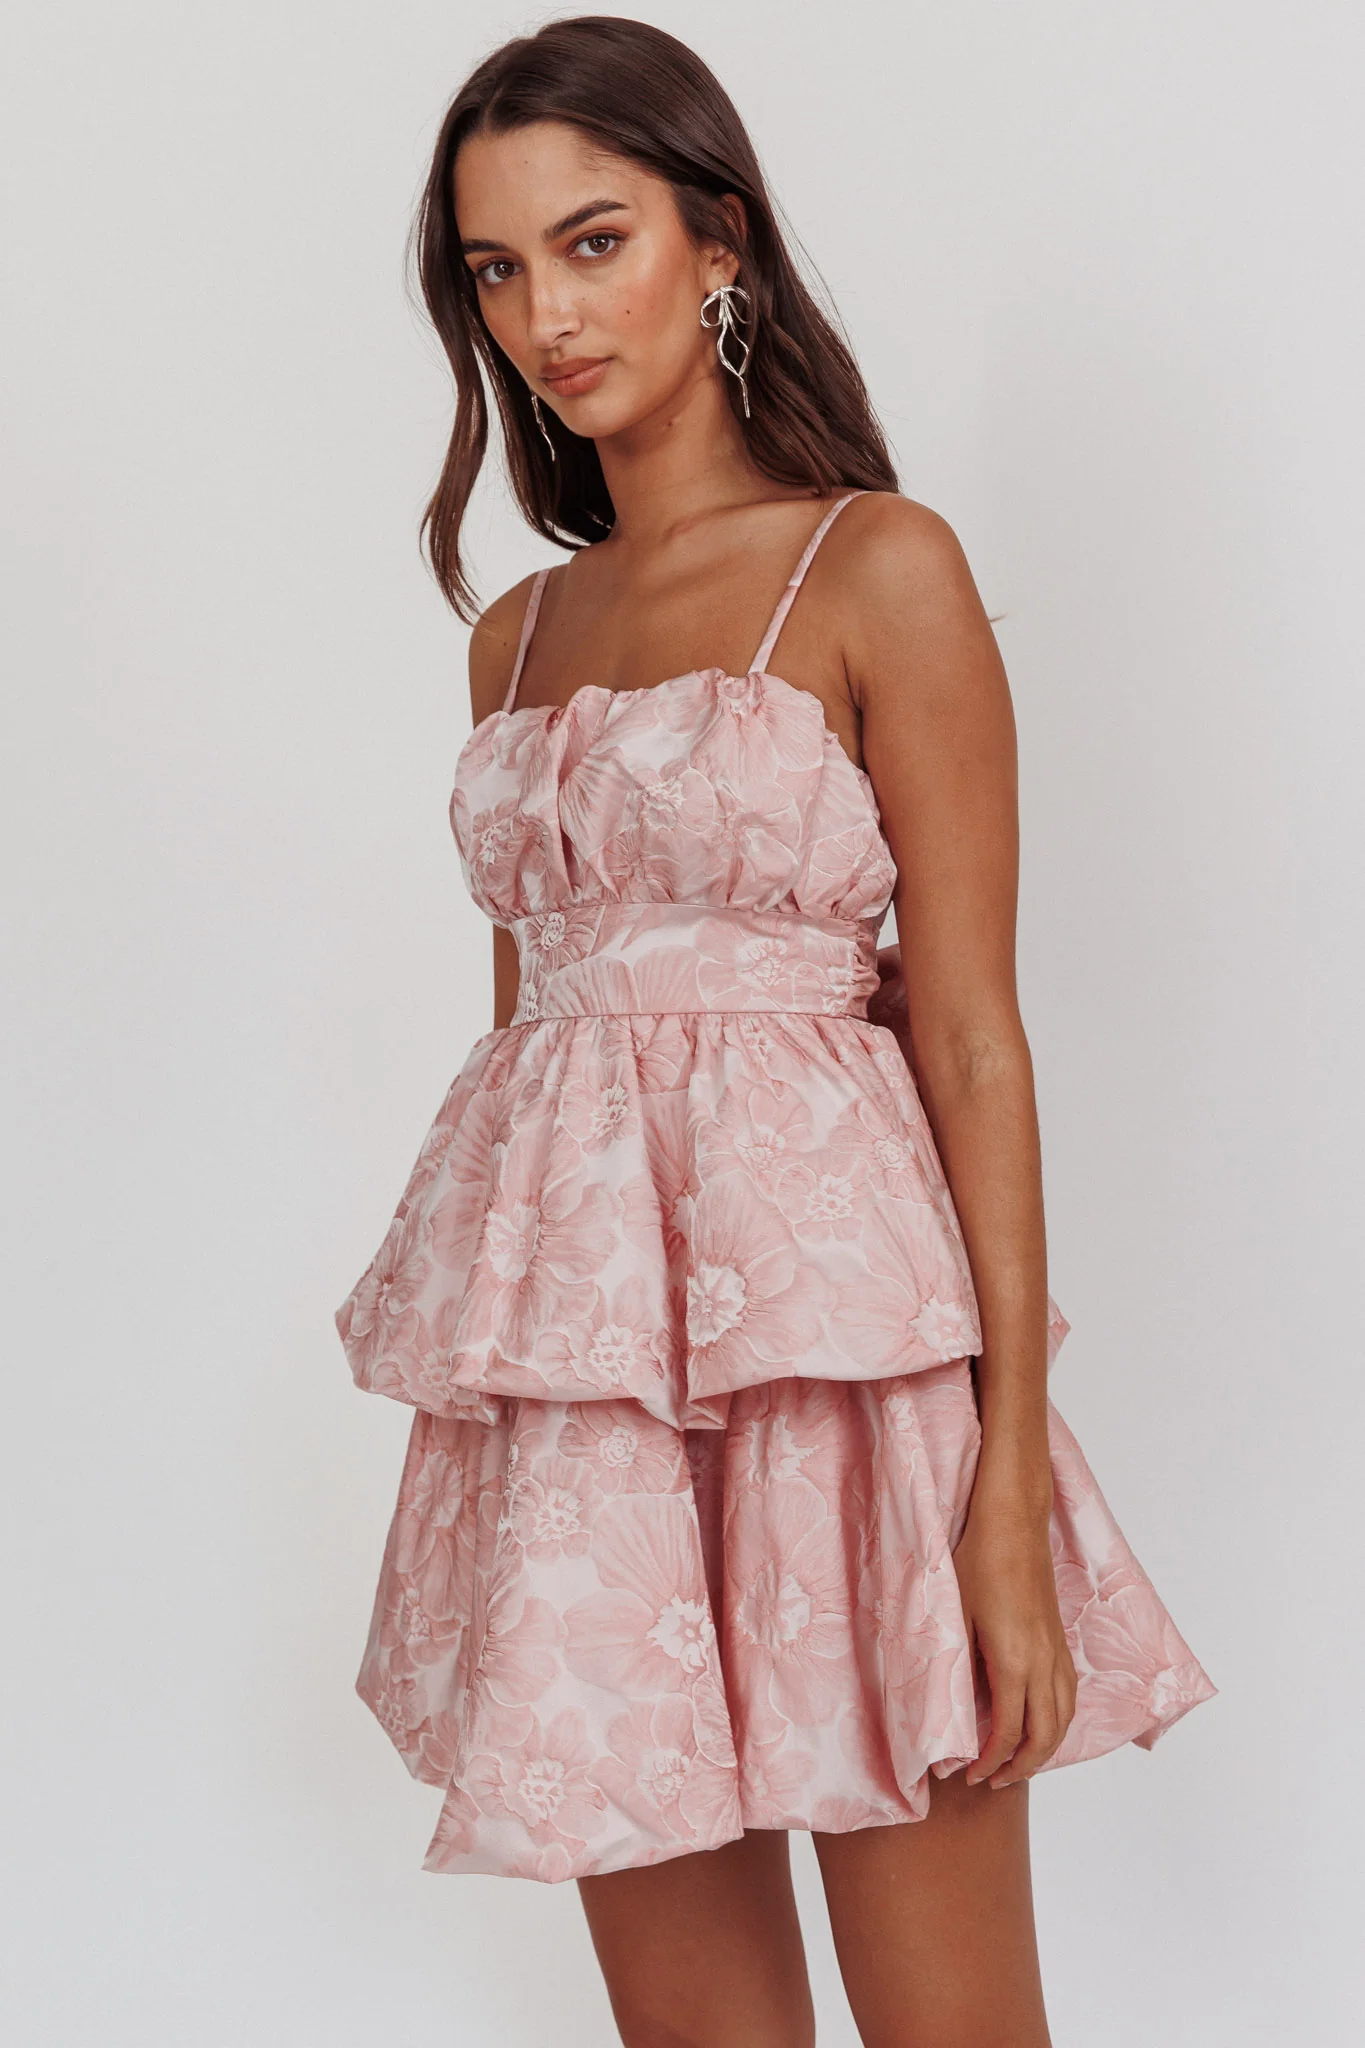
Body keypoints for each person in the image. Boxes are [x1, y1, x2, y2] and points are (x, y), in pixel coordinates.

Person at [335, 17, 1215, 2045]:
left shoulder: (876, 568)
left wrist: (1004, 1489)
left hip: (848, 1393)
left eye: (594, 242)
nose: (548, 317)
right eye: (496, 270)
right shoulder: (513, 640)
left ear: (717, 241)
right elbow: (530, 1054)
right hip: (587, 1415)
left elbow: (972, 1041)